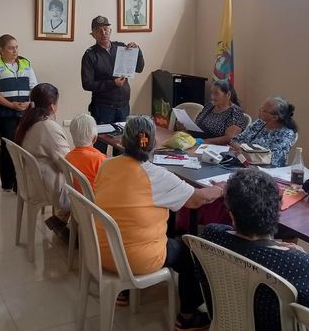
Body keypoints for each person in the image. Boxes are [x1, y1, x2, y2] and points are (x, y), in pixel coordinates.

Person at [94, 115, 225, 329]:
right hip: (134, 260)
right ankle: (188, 317)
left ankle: (124, 292)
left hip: (102, 250)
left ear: (123, 141)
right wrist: (220, 189)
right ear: (154, 143)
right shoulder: (155, 175)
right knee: (190, 253)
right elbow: (197, 200)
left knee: (137, 218)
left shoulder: (106, 165)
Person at [199, 169, 309, 329]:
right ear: (279, 207)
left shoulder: (211, 235)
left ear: (231, 214)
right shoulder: (299, 264)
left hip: (228, 321)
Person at [81, 15, 145, 154]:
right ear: (93, 35)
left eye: (106, 29)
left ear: (110, 30)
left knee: (122, 147)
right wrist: (112, 84)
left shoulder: (121, 48)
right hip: (103, 108)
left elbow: (139, 68)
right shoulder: (90, 55)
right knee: (100, 148)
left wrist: (137, 51)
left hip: (123, 106)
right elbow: (87, 84)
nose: (103, 33)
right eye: (98, 30)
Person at [0, 34, 37, 192]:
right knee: (8, 146)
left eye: (16, 47)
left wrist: (29, 102)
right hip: (4, 113)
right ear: (1, 50)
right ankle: (8, 183)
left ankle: (20, 183)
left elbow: (34, 86)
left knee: (24, 145)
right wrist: (11, 105)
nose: (15, 51)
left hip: (25, 111)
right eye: (11, 48)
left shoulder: (25, 63)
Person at [15, 83, 70, 213]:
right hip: (47, 186)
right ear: (52, 106)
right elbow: (67, 165)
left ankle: (62, 220)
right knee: (92, 189)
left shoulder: (26, 122)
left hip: (31, 182)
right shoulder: (48, 128)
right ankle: (69, 223)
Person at [230, 96, 297, 167]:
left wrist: (242, 151)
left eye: (264, 110)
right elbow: (235, 140)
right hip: (243, 163)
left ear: (274, 117)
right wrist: (241, 150)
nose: (260, 110)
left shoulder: (286, 134)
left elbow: (272, 160)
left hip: (266, 170)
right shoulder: (259, 123)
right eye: (261, 107)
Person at [190, 79, 248, 145]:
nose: (212, 97)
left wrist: (204, 141)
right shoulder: (209, 106)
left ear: (228, 94)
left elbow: (229, 138)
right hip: (196, 142)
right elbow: (197, 123)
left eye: (216, 93)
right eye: (212, 93)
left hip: (214, 147)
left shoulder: (235, 112)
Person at [65, 113, 107, 193]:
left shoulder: (68, 157)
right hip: (96, 199)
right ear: (95, 139)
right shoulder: (100, 159)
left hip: (78, 197)